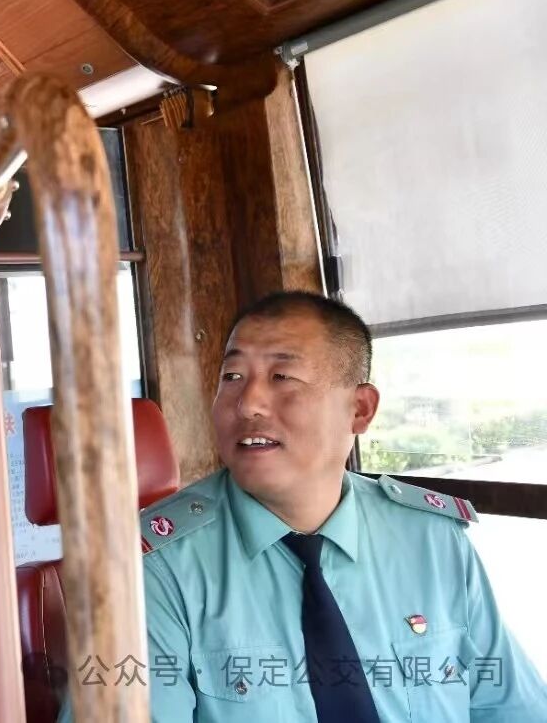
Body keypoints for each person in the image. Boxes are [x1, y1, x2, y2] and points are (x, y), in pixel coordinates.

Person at [60, 291, 547, 722]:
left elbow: (511, 706)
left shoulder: (433, 540)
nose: (248, 403)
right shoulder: (150, 567)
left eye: (281, 377)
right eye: (232, 376)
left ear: (359, 409)